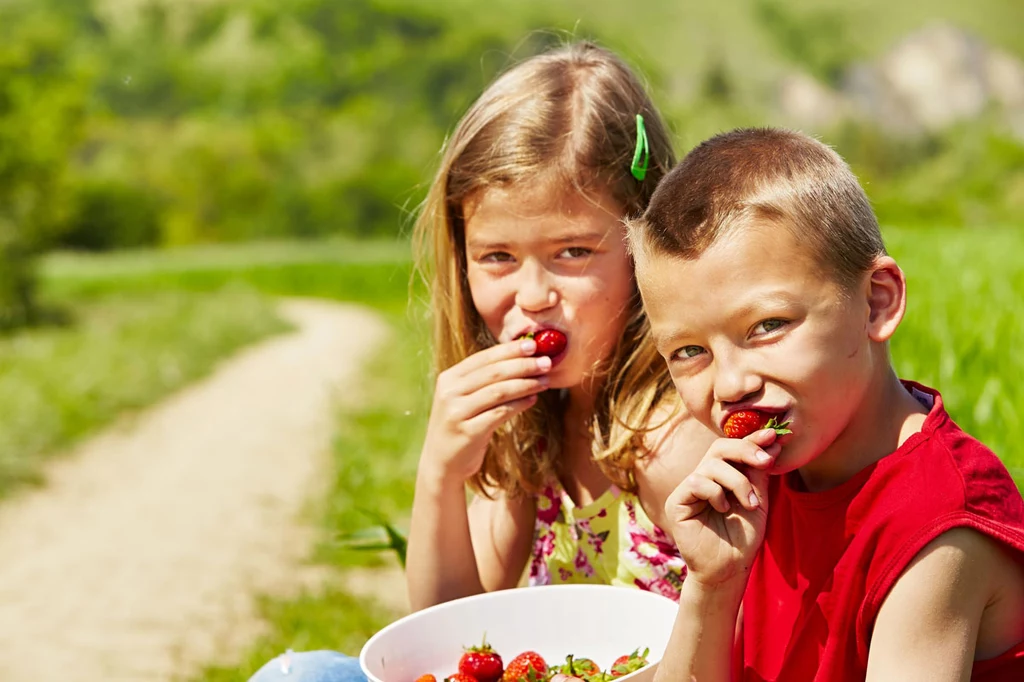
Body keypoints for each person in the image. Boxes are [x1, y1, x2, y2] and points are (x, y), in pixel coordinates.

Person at [247, 41, 715, 682]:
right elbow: (449, 636)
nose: (532, 295)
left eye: (573, 252)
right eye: (498, 257)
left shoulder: (671, 444)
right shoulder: (535, 426)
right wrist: (441, 470)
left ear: (646, 248)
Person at [627, 127, 1024, 681]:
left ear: (875, 303)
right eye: (690, 350)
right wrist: (712, 583)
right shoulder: (765, 482)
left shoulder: (936, 524)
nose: (730, 383)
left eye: (768, 325)